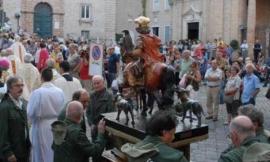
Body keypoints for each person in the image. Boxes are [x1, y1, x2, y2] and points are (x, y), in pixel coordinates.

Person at [27, 68, 65, 162]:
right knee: (54, 150)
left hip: (42, 124)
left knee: (42, 151)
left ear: (41, 78)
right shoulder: (59, 91)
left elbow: (31, 112)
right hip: (57, 124)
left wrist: (32, 120)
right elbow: (63, 108)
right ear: (52, 78)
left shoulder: (37, 92)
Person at [121, 111, 188, 162]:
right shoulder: (177, 157)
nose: (174, 137)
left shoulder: (131, 150)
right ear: (165, 133)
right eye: (173, 133)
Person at [0, 77, 30, 162]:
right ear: (9, 88)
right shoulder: (4, 107)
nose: (20, 88)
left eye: (22, 85)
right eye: (17, 85)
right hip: (12, 153)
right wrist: (8, 153)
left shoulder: (22, 103)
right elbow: (2, 132)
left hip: (23, 150)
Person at [86, 75, 114, 139]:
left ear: (103, 82)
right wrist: (91, 124)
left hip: (105, 128)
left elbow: (111, 113)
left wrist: (103, 125)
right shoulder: (91, 95)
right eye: (94, 84)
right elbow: (88, 112)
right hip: (94, 128)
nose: (96, 85)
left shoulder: (109, 95)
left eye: (98, 83)